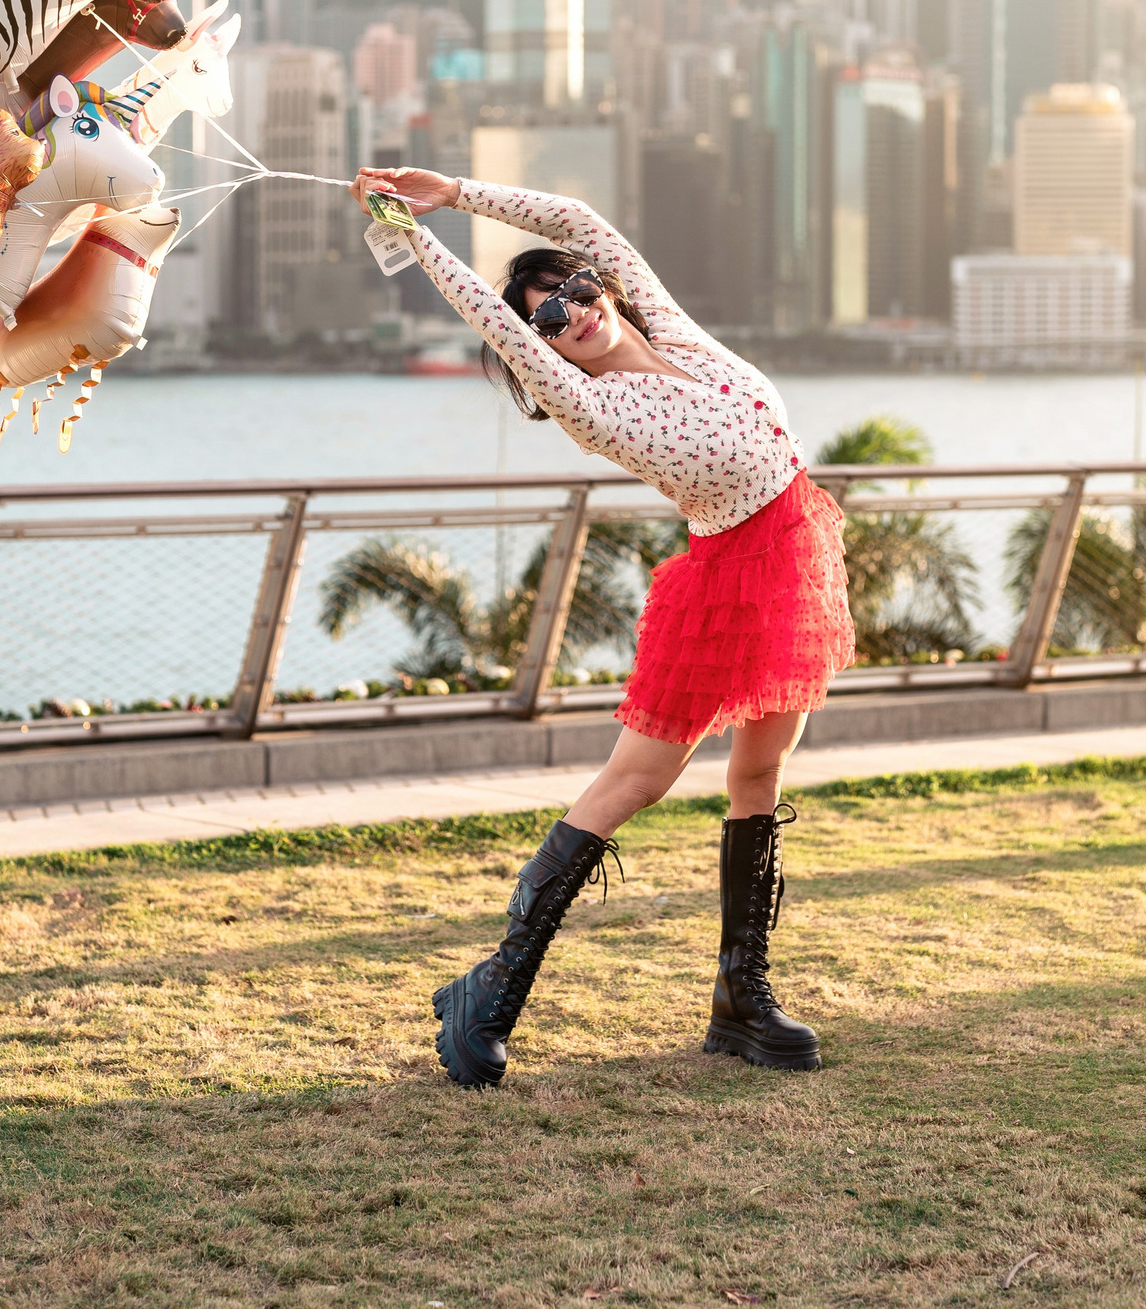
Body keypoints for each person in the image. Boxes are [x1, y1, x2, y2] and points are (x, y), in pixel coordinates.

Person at [349, 166, 856, 1088]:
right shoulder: (594, 405)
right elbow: (493, 320)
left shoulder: (673, 333)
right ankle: (491, 992)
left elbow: (580, 219)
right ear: (547, 355)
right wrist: (412, 233)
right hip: (721, 584)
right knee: (637, 779)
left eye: (576, 291)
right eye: (551, 319)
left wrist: (451, 193)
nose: (573, 313)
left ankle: (742, 999)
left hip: (794, 556)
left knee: (761, 770)